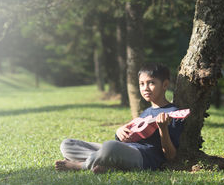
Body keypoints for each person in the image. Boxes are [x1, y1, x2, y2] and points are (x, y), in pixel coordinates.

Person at [55, 63, 184, 173]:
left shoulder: (173, 113)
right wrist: (120, 131)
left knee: (110, 147)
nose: (145, 88)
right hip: (125, 149)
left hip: (143, 157)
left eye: (151, 83)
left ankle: (80, 165)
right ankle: (111, 165)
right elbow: (131, 136)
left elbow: (170, 155)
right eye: (142, 84)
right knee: (67, 144)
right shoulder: (146, 112)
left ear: (165, 85)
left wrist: (163, 129)